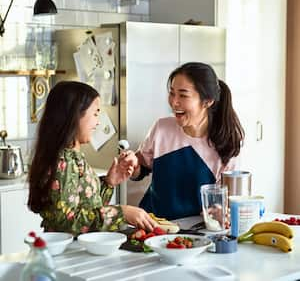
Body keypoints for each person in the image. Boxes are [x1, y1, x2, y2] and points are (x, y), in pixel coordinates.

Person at [27, 81, 157, 236]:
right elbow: (67, 222)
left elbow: (86, 207)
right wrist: (121, 212)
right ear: (74, 115)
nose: (98, 122)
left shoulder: (73, 157)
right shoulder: (63, 162)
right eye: (95, 113)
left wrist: (109, 182)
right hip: (69, 252)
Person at [120, 62, 245, 220]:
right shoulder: (162, 128)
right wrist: (132, 164)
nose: (174, 102)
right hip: (153, 225)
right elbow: (142, 167)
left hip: (196, 231)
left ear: (207, 101)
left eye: (183, 95)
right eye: (172, 93)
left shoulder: (227, 144)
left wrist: (221, 211)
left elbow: (226, 202)